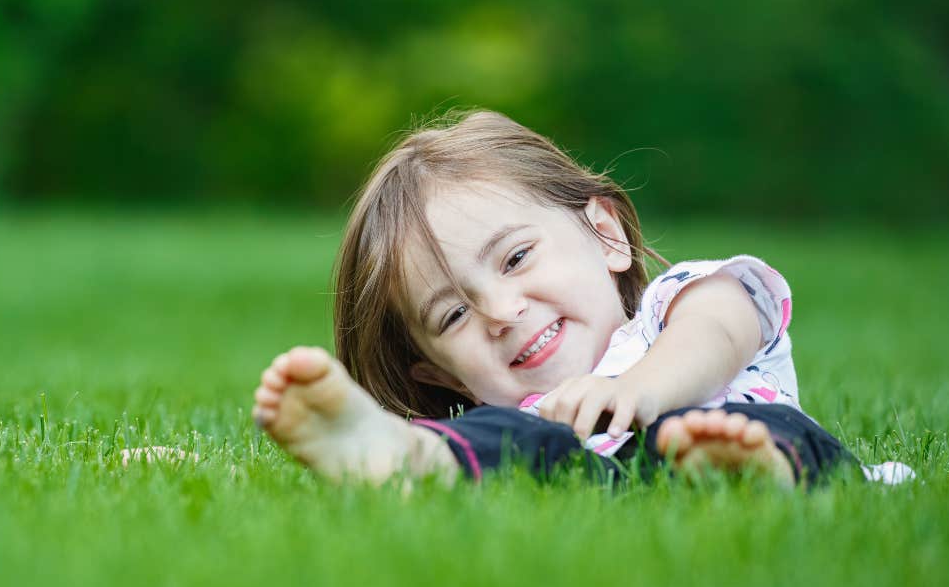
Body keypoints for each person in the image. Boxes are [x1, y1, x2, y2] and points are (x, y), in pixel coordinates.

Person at [252, 110, 911, 488]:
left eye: (515, 257)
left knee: (774, 433)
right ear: (438, 373)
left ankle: (757, 473)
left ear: (606, 236)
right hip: (593, 475)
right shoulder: (526, 417)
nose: (502, 312)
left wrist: (644, 389)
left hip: (744, 434)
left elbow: (723, 324)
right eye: (453, 315)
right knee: (515, 445)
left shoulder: (672, 311)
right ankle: (405, 454)